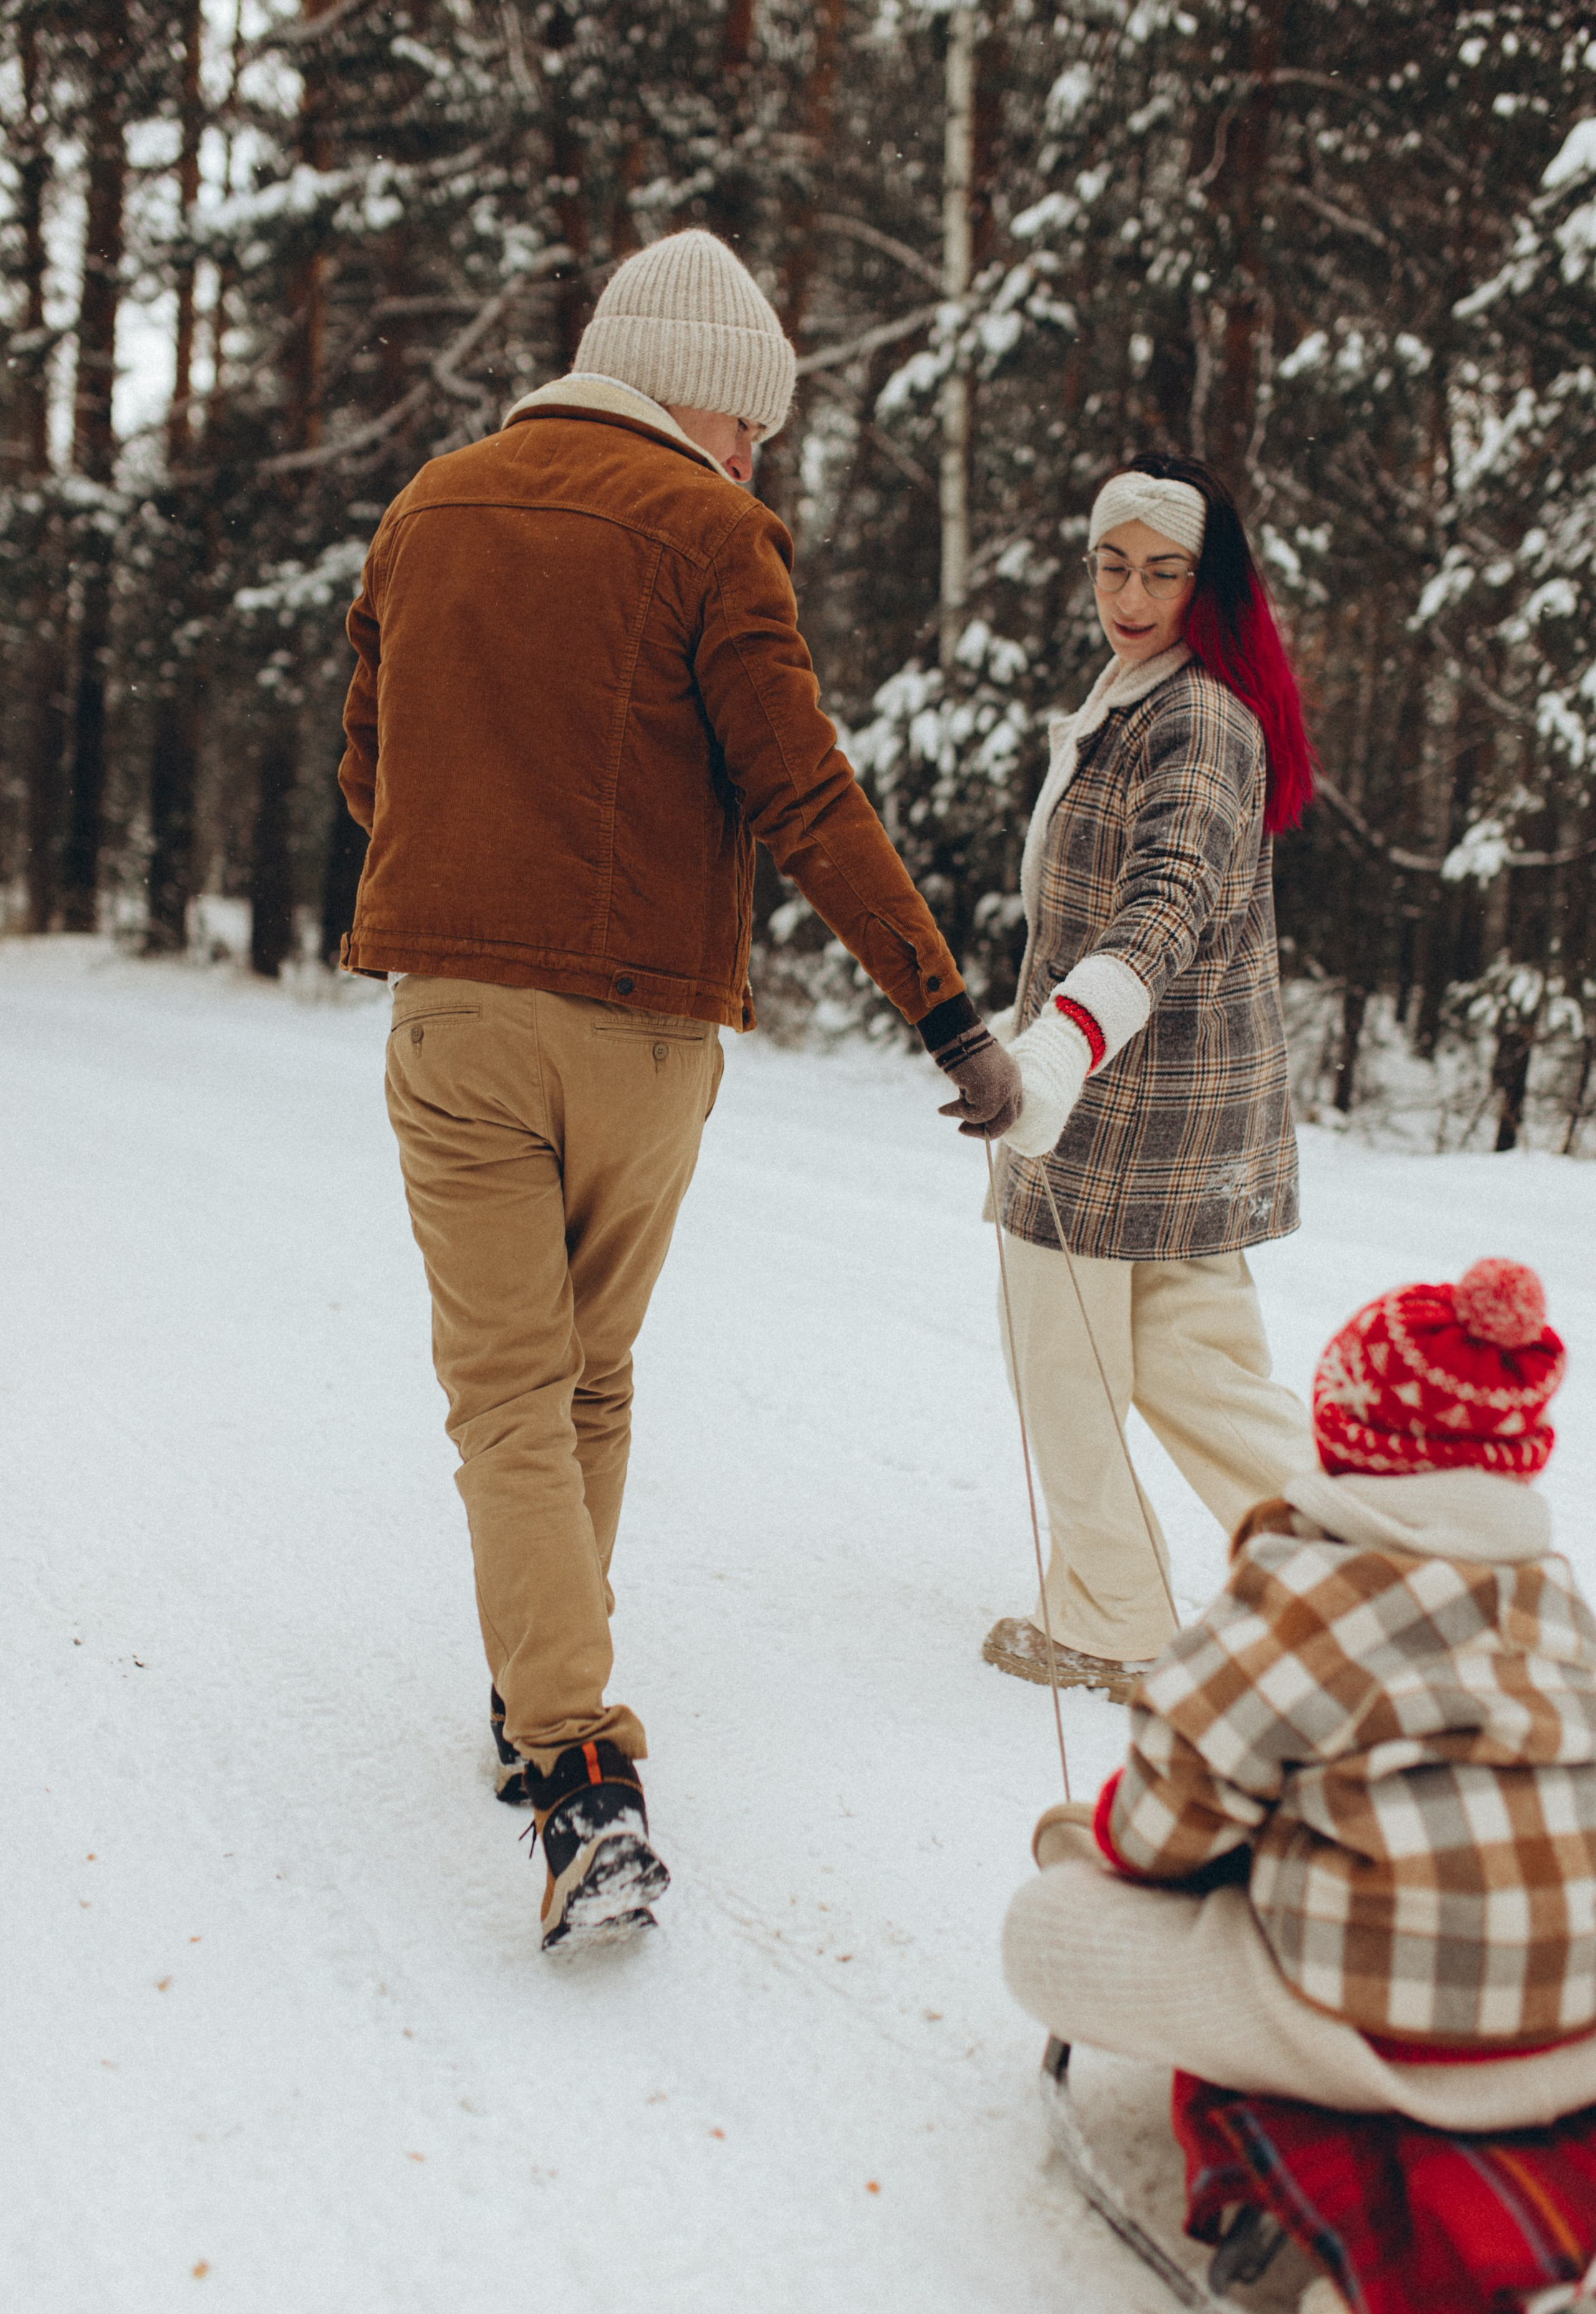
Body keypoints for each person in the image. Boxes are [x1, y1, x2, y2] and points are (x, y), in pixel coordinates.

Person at [336, 228, 1019, 1950]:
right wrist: (946, 1015)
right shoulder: (715, 535)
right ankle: (563, 1736)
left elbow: (367, 765)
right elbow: (806, 796)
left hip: (461, 1018)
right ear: (700, 398)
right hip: (646, 1039)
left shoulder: (428, 508)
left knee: (507, 1386)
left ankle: (555, 1739)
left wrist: (476, 888)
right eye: (757, 425)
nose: (759, 458)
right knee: (590, 1376)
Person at [1002, 1255, 1596, 2123]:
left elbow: (1157, 1833)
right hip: (1574, 2012)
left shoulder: (1305, 1593)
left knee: (1044, 1926)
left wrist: (1119, 1851)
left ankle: (1354, 2091)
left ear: (1346, 1442)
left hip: (1386, 2030)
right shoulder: (1562, 1606)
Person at [981, 453, 1319, 1698]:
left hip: (1106, 1108)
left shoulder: (1192, 718)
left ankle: (1111, 1619)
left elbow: (1162, 904)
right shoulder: (1149, 692)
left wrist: (1053, 1052)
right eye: (1110, 565)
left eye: (1160, 570)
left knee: (1062, 1363)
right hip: (1181, 1114)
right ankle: (1373, 1593)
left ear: (1204, 580)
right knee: (1200, 1372)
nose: (1128, 593)